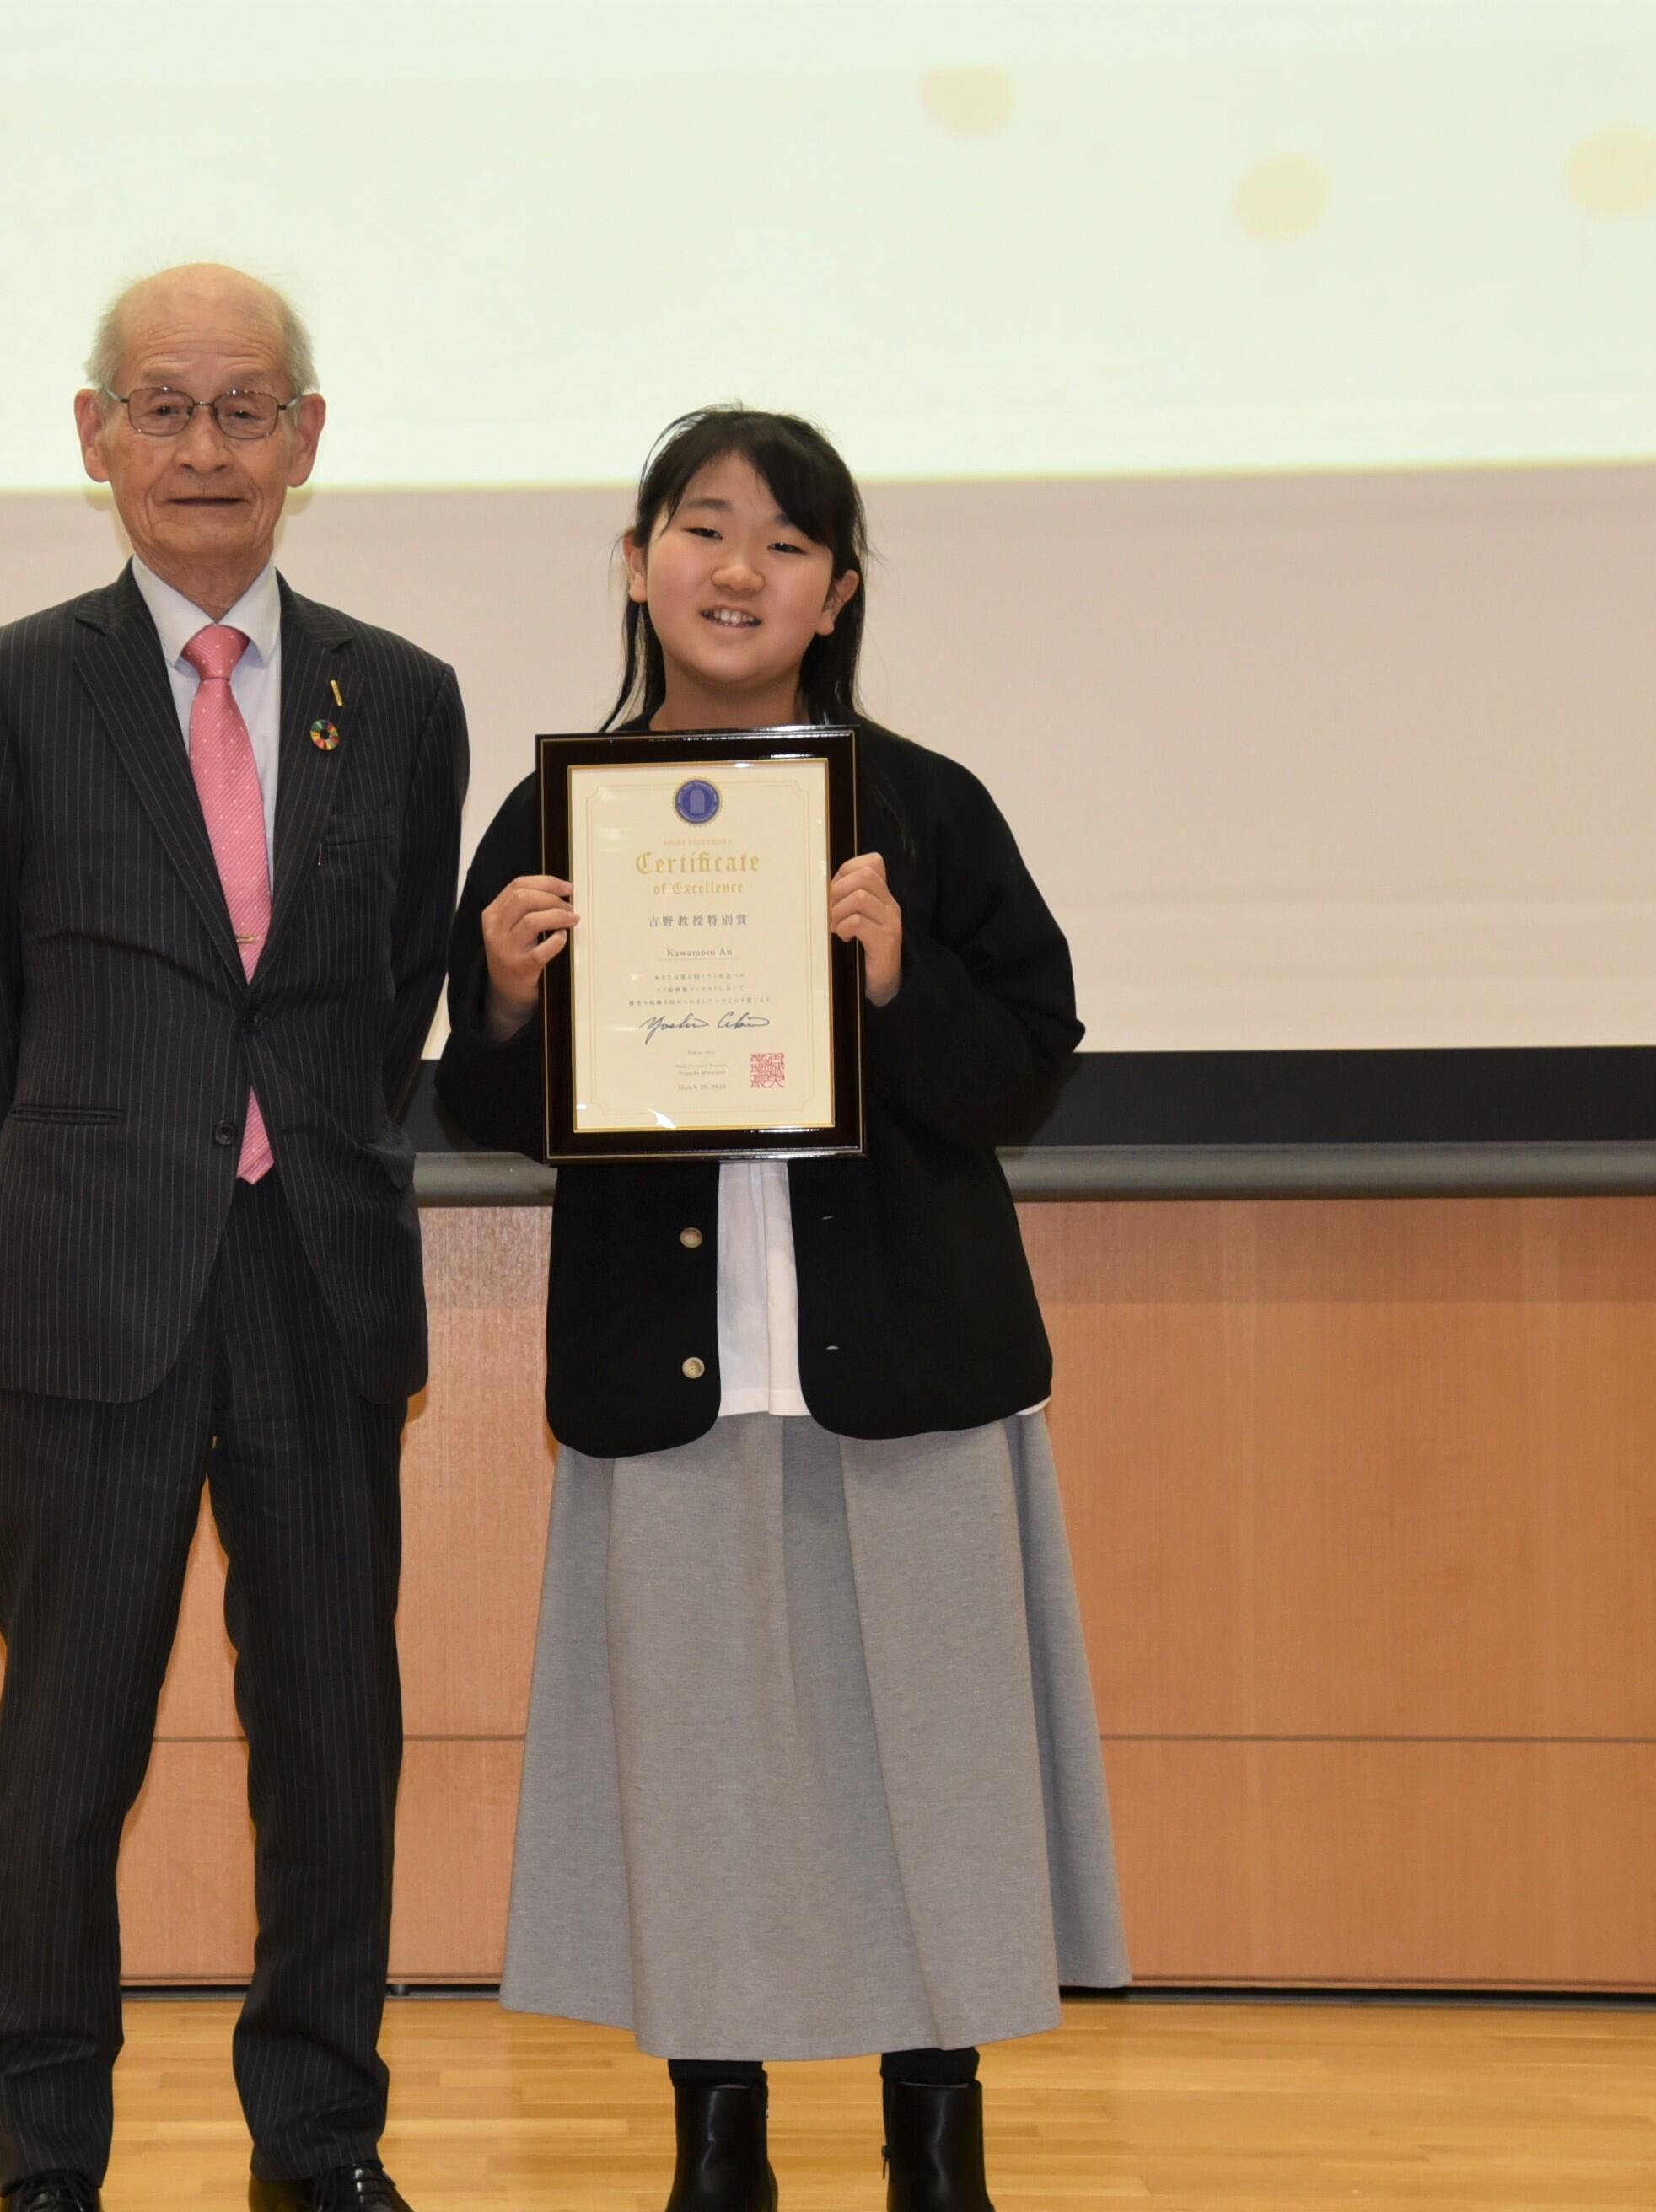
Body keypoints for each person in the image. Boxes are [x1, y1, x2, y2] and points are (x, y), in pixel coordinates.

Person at [433, 407, 1127, 2212]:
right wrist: (498, 998)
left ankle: (936, 2139)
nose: (738, 569)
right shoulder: (557, 817)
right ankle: (718, 2144)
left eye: (787, 542)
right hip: (672, 1372)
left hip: (909, 1364)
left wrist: (897, 981)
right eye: (703, 528)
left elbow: (1025, 1058)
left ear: (839, 593)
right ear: (637, 562)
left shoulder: (924, 807)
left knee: (940, 1762)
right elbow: (487, 1106)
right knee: (701, 1773)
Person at [0, 264, 470, 2212]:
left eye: (245, 409)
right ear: (97, 436)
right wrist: (102, 1174)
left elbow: (394, 988)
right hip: (90, 1290)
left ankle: (319, 2141)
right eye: (164, 406)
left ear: (307, 438)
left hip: (319, 1282)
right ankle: (45, 2156)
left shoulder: (399, 697)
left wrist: (278, 1151)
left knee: (332, 1746)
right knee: (67, 1754)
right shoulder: (6, 689)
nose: (204, 447)